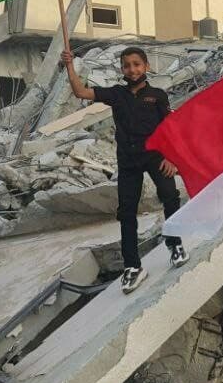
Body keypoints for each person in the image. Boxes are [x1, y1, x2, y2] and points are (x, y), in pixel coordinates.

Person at [62, 46, 186, 291]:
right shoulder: (116, 94)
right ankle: (133, 266)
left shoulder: (158, 95)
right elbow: (80, 91)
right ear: (122, 69)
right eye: (127, 65)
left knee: (170, 196)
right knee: (126, 212)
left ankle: (175, 243)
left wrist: (171, 158)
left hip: (155, 156)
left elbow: (169, 128)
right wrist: (69, 65)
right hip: (128, 160)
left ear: (147, 66)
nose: (132, 69)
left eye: (137, 64)